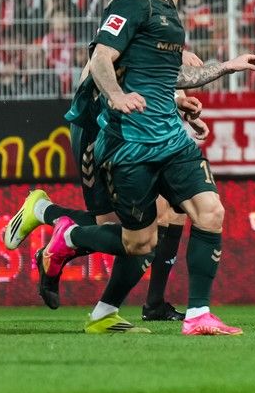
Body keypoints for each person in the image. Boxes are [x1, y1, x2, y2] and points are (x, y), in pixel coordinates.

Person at [3, 0, 255, 336]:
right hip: (114, 133)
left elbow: (157, 74)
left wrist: (219, 71)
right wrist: (117, 96)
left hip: (165, 136)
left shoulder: (166, 9)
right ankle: (60, 231)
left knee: (205, 212)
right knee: (131, 238)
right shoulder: (131, 3)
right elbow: (101, 61)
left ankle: (194, 314)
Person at [18, 45, 230, 328]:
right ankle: (46, 213)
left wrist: (178, 103)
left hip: (138, 130)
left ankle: (150, 303)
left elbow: (155, 76)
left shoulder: (163, 32)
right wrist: (182, 63)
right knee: (115, 226)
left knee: (168, 213)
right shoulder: (128, 26)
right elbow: (111, 63)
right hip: (98, 127)